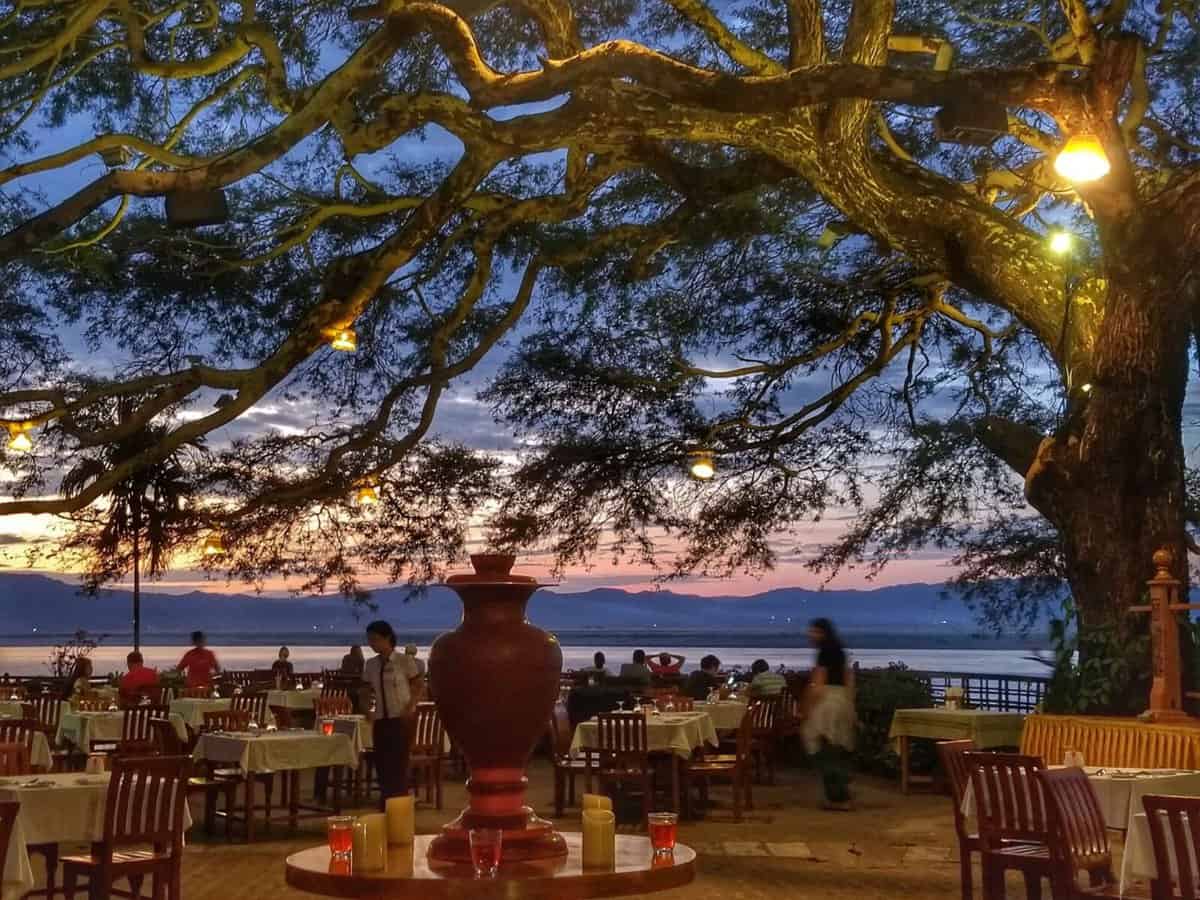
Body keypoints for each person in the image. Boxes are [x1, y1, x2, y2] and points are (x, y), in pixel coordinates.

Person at [362, 621, 424, 808]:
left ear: (387, 638)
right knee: (382, 764)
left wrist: (410, 706)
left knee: (398, 764)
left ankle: (399, 807)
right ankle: (386, 804)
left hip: (401, 719)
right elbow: (365, 690)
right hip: (381, 719)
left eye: (375, 639)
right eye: (370, 640)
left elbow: (418, 686)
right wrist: (367, 709)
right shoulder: (371, 664)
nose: (372, 644)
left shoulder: (404, 661)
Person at [802, 618, 856, 811]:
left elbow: (818, 683)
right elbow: (849, 678)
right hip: (842, 700)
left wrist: (807, 707)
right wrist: (851, 704)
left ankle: (838, 794)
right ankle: (840, 789)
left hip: (828, 702)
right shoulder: (840, 651)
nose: (810, 635)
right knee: (836, 746)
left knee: (818, 744)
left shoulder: (824, 652)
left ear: (822, 633)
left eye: (813, 632)